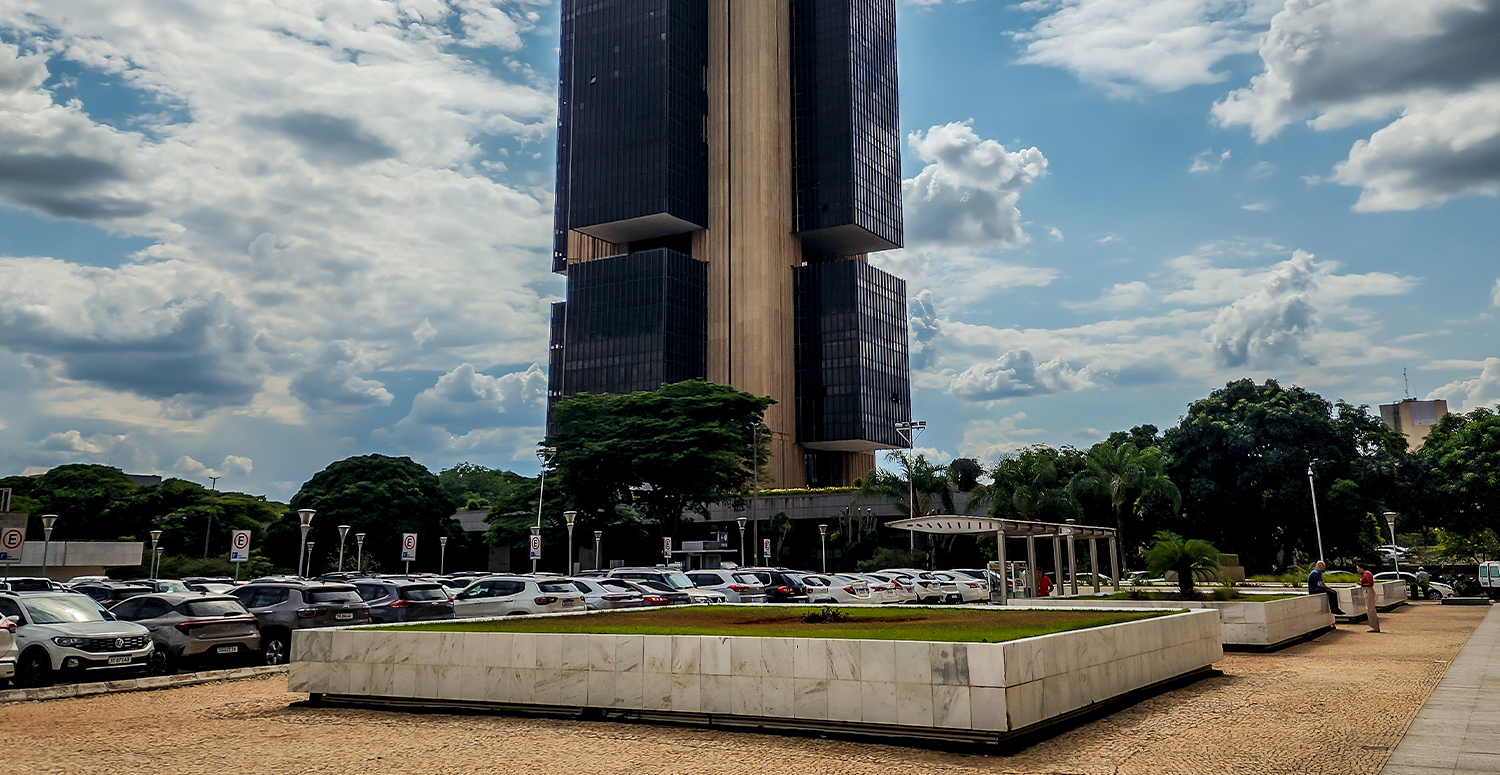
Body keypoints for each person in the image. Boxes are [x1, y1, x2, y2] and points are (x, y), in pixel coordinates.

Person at [1357, 563, 1380, 632]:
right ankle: (1374, 626)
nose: (1357, 570)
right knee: (1370, 609)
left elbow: (1371, 583)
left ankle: (1374, 626)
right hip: (1366, 590)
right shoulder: (1366, 574)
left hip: (1368, 590)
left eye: (1358, 568)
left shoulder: (1367, 573)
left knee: (1370, 609)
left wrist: (1362, 584)